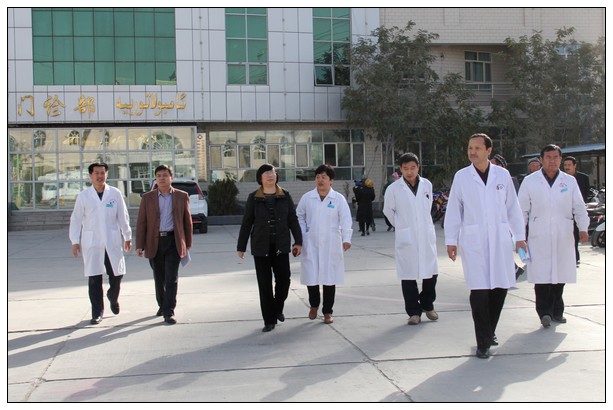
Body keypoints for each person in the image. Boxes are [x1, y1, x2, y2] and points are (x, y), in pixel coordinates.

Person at [444, 133, 526, 359]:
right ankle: (483, 341)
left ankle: (489, 331)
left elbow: (513, 208)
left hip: (500, 239)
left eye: (477, 148)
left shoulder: (502, 175)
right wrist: (451, 240)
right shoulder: (462, 177)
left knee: (500, 287)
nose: (472, 152)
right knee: (479, 291)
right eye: (470, 148)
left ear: (489, 151)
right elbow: (454, 210)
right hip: (474, 241)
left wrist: (520, 236)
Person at [518, 145, 589, 328]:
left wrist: (583, 228)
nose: (552, 161)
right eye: (548, 157)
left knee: (560, 274)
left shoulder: (569, 182)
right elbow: (521, 210)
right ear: (541, 159)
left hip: (562, 234)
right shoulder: (530, 181)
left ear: (560, 159)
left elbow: (579, 207)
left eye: (556, 157)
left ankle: (558, 310)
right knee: (541, 276)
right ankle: (545, 312)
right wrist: (519, 235)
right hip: (539, 234)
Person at [237, 164, 303, 332]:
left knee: (284, 280)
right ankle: (269, 320)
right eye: (266, 173)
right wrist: (241, 246)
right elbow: (247, 223)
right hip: (261, 247)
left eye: (272, 172)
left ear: (276, 176)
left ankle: (277, 307)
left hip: (281, 246)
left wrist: (298, 241)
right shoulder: (254, 197)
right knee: (264, 285)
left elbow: (292, 219)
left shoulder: (285, 195)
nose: (270, 175)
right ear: (260, 178)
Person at [69, 162, 132, 325]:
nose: (100, 176)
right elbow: (76, 219)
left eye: (102, 173)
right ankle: (97, 312)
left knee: (117, 274)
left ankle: (113, 296)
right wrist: (75, 241)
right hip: (92, 242)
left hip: (112, 240)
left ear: (106, 174)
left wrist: (127, 235)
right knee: (94, 277)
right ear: (90, 175)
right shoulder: (84, 196)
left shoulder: (115, 193)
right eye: (96, 173)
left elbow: (123, 216)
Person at [383, 153, 439, 325]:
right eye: (405, 168)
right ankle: (414, 312)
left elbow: (428, 207)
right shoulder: (393, 189)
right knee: (408, 276)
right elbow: (388, 211)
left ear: (418, 167)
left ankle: (428, 305)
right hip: (406, 237)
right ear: (400, 169)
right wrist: (401, 227)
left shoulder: (427, 185)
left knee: (431, 273)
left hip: (426, 235)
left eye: (413, 168)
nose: (409, 172)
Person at [136, 165, 192, 325]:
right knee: (159, 278)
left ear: (171, 178)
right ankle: (162, 305)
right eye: (159, 175)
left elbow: (187, 221)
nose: (162, 178)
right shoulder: (148, 198)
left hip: (173, 241)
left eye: (165, 175)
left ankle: (169, 311)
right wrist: (139, 244)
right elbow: (142, 222)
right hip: (154, 242)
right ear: (155, 178)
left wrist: (187, 243)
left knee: (171, 278)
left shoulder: (181, 196)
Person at [296, 164, 353, 324]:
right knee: (311, 276)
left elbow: (346, 219)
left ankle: (328, 311)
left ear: (331, 180)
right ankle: (314, 305)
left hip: (331, 242)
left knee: (329, 278)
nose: (320, 180)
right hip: (311, 241)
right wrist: (302, 234)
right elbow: (299, 216)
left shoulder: (338, 199)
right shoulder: (307, 198)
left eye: (324, 177)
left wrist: (346, 238)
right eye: (317, 177)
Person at [490, 154, 524, 279]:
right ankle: (512, 270)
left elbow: (513, 203)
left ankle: (513, 270)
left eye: (494, 163)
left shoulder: (509, 179)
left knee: (502, 250)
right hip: (491, 223)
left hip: (505, 222)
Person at [563, 156, 591, 265]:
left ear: (574, 166)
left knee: (575, 235)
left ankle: (575, 256)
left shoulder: (583, 178)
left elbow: (585, 194)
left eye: (569, 165)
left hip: (578, 211)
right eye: (565, 165)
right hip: (565, 212)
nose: (567, 167)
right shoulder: (561, 178)